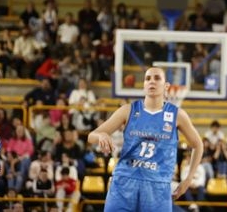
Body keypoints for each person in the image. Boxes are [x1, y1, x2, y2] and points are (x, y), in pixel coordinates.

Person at [87, 67, 204, 212]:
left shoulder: (177, 115)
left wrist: (188, 179)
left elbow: (198, 145)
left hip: (157, 186)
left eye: (157, 78)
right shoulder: (128, 110)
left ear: (166, 86)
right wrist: (101, 135)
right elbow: (91, 136)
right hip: (124, 182)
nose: (151, 81)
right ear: (144, 85)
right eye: (148, 78)